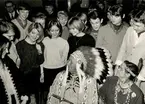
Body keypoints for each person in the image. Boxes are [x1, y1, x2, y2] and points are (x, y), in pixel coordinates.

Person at [47, 46, 113, 104]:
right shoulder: (61, 76)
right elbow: (54, 96)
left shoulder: (89, 81)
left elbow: (89, 101)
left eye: (71, 61)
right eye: (68, 60)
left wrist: (82, 79)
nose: (67, 63)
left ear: (79, 64)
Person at [115, 8, 145, 101]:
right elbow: (123, 48)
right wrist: (117, 66)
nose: (134, 27)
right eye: (133, 24)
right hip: (125, 70)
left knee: (137, 98)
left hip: (141, 74)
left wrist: (139, 79)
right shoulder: (129, 30)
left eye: (138, 26)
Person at [41, 19, 69, 103]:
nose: (55, 32)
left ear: (60, 30)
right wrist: (42, 72)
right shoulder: (44, 41)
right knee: (47, 91)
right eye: (52, 30)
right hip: (47, 69)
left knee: (59, 90)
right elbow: (42, 58)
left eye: (57, 30)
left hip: (60, 69)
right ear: (48, 30)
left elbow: (65, 59)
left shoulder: (64, 42)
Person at [16, 22, 44, 104]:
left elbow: (41, 61)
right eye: (33, 33)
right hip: (23, 74)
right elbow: (18, 62)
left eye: (38, 34)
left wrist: (39, 52)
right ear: (28, 32)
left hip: (35, 74)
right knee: (24, 98)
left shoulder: (40, 45)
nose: (35, 36)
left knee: (36, 97)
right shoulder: (20, 44)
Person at [0, 35, 28, 104]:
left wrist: (23, 94)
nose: (7, 51)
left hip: (14, 98)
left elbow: (19, 77)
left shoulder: (7, 60)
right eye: (5, 48)